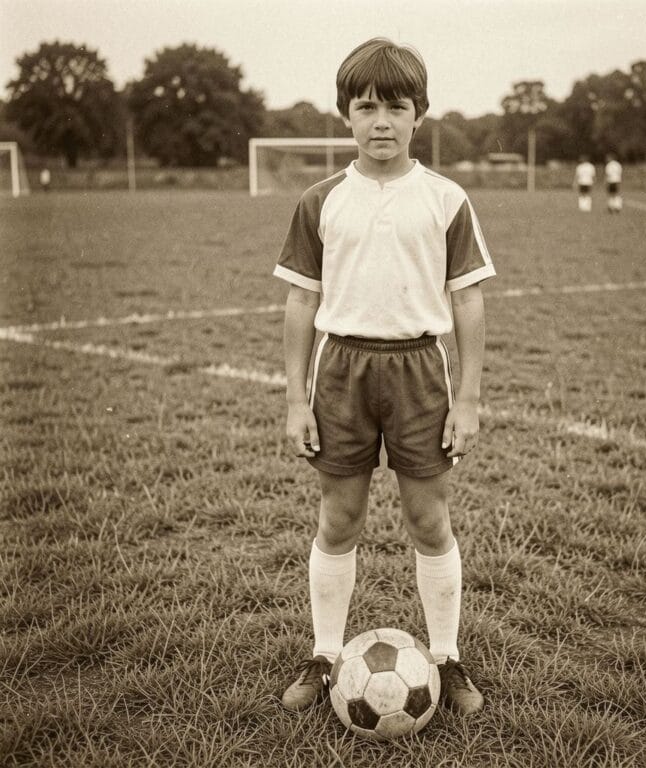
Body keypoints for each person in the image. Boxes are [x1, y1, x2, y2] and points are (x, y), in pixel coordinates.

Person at [273, 37, 495, 717]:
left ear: (418, 115)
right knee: (339, 516)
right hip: (340, 369)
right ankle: (325, 655)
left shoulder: (446, 199)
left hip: (420, 371)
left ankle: (447, 657)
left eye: (396, 107)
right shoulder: (320, 200)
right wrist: (295, 398)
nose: (381, 122)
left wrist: (468, 397)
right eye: (366, 107)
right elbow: (301, 301)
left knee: (429, 517)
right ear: (346, 114)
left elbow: (468, 300)